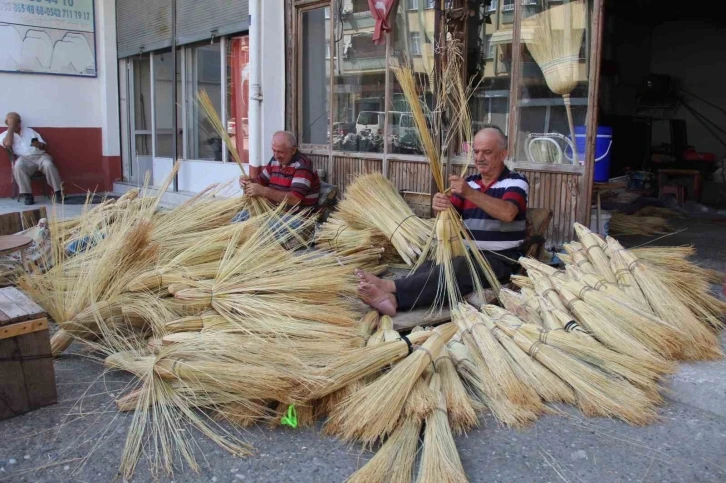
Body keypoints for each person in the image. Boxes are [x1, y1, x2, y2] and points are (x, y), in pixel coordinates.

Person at [357, 126, 529, 316]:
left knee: (457, 269)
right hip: (467, 253)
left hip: (500, 258)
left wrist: (470, 193)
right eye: (476, 151)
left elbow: (508, 213)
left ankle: (391, 291)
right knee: (430, 266)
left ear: (503, 154)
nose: (479, 158)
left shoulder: (515, 181)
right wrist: (440, 205)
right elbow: (450, 215)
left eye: (487, 152)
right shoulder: (470, 182)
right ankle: (393, 297)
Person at [234, 130, 321, 223]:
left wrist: (263, 191)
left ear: (293, 150)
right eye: (274, 151)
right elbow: (261, 181)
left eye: (280, 152)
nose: (276, 156)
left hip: (296, 217)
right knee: (238, 220)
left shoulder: (302, 165)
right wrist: (248, 181)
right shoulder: (275, 161)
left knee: (259, 230)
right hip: (273, 211)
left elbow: (295, 199)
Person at [1, 112, 63, 205]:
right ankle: (28, 196)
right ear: (7, 123)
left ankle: (58, 193)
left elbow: (44, 146)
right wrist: (11, 128)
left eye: (18, 121)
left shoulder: (30, 131)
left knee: (49, 165)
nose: (17, 124)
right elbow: (8, 144)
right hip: (24, 158)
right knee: (18, 167)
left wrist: (40, 145)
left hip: (40, 156)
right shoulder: (5, 135)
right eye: (13, 122)